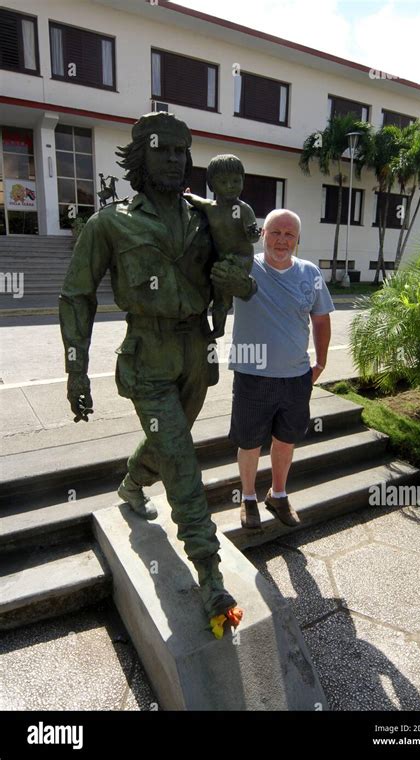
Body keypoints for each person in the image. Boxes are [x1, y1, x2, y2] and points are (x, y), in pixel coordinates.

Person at [59, 112, 256, 623]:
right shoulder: (111, 221)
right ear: (140, 156)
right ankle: (209, 573)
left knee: (169, 442)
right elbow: (77, 295)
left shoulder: (208, 217)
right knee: (180, 454)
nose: (174, 159)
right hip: (146, 354)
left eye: (180, 151)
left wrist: (239, 281)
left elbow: (239, 270)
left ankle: (131, 481)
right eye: (162, 149)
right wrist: (76, 369)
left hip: (197, 351)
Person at [228, 208, 335, 529]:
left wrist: (321, 362)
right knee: (249, 442)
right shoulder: (245, 266)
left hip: (295, 378)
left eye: (289, 234)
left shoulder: (310, 273)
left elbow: (321, 319)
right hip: (252, 375)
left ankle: (278, 494)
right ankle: (248, 498)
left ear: (298, 240)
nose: (281, 239)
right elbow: (215, 239)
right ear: (263, 234)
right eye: (275, 232)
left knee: (286, 440)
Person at [184, 154, 260, 339]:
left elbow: (252, 238)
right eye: (223, 181)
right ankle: (218, 328)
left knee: (223, 289)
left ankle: (220, 319)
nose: (230, 186)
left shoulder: (243, 209)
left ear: (243, 181)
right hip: (221, 259)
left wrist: (253, 234)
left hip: (241, 260)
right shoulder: (210, 207)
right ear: (211, 185)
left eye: (236, 181)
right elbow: (194, 199)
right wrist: (184, 194)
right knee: (219, 297)